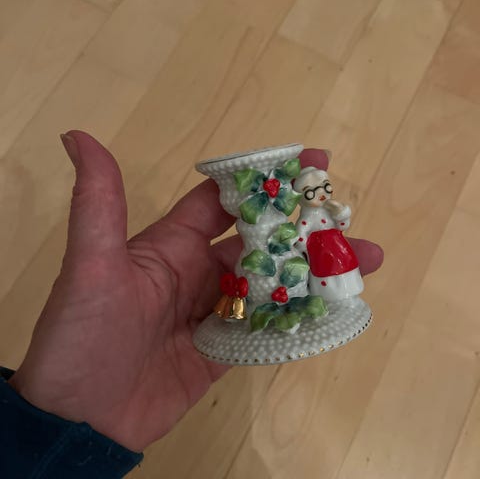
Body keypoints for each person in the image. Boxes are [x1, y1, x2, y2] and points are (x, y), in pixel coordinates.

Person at [0, 131, 384, 478]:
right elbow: (295, 236)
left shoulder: (307, 214)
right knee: (272, 268)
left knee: (307, 271)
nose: (320, 195)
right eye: (314, 192)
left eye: (322, 190)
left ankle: (311, 297)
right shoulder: (280, 227)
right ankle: (280, 304)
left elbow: (303, 232)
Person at [294, 166, 364, 301]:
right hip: (320, 252)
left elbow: (342, 226)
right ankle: (328, 295)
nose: (321, 193)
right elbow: (300, 236)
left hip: (339, 247)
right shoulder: (306, 219)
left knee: (346, 266)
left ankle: (350, 289)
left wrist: (340, 214)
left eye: (325, 186)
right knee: (325, 273)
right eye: (311, 192)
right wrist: (303, 248)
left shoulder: (329, 210)